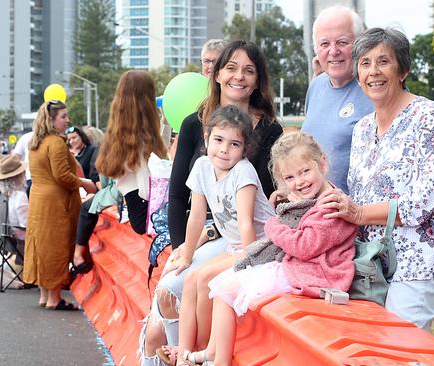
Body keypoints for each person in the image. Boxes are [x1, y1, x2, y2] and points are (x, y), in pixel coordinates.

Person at [143, 40, 282, 366]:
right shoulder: (194, 124)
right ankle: (181, 355)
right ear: (217, 73)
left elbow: (258, 210)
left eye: (249, 70)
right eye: (231, 67)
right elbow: (179, 196)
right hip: (205, 233)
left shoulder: (269, 131)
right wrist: (182, 249)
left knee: (181, 289)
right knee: (161, 313)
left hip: (241, 237)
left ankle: (188, 356)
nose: (239, 76)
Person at [169, 132, 357, 366]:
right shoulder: (314, 197)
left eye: (305, 171)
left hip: (315, 274)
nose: (299, 182)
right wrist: (288, 203)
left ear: (322, 163)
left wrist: (273, 223)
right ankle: (210, 353)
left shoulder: (332, 205)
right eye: (290, 177)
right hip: (298, 266)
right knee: (220, 286)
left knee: (225, 290)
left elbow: (303, 246)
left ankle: (218, 360)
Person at [319, 27, 434, 332]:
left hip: (417, 260)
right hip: (371, 265)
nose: (374, 72)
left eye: (383, 62)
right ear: (357, 74)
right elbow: (357, 193)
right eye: (365, 63)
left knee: (400, 348)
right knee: (371, 348)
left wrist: (358, 212)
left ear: (403, 69)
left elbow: (430, 198)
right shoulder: (362, 128)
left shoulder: (428, 116)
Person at [162, 105, 274, 365]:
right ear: (206, 139)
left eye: (234, 144)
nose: (224, 149)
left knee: (204, 281)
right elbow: (197, 215)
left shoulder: (243, 171)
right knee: (190, 278)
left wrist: (248, 266)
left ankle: (200, 352)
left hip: (261, 246)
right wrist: (186, 256)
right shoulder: (202, 166)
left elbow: (246, 223)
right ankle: (183, 353)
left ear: (245, 148)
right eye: (219, 140)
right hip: (236, 246)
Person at [24, 100, 96, 310]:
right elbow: (63, 176)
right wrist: (85, 184)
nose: (67, 120)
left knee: (41, 245)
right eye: (63, 116)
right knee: (55, 247)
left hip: (38, 200)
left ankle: (45, 295)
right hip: (56, 203)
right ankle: (54, 298)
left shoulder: (35, 143)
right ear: (51, 119)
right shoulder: (55, 142)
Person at [302, 5, 373, 194]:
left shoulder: (376, 90)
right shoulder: (316, 87)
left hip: (359, 215)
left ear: (360, 44)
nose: (333, 51)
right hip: (317, 214)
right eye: (324, 44)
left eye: (342, 42)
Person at [96, 70, 169, 235]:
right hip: (144, 211)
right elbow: (147, 181)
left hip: (132, 203)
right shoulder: (140, 138)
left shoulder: (120, 132)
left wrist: (165, 123)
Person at [0, 154, 29, 241]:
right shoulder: (20, 196)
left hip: (9, 241)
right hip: (23, 242)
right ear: (19, 175)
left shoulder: (2, 195)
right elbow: (27, 225)